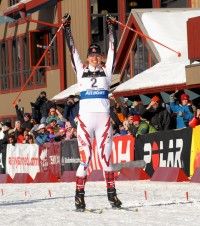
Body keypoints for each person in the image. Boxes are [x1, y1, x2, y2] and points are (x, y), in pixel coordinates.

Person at [62, 13, 122, 211]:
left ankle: (112, 196)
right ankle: (79, 197)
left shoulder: (107, 70)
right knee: (85, 159)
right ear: (88, 58)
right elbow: (72, 51)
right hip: (86, 122)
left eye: (97, 55)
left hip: (103, 121)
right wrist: (67, 28)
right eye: (92, 56)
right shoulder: (80, 70)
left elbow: (113, 48)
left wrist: (111, 27)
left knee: (106, 160)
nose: (95, 58)